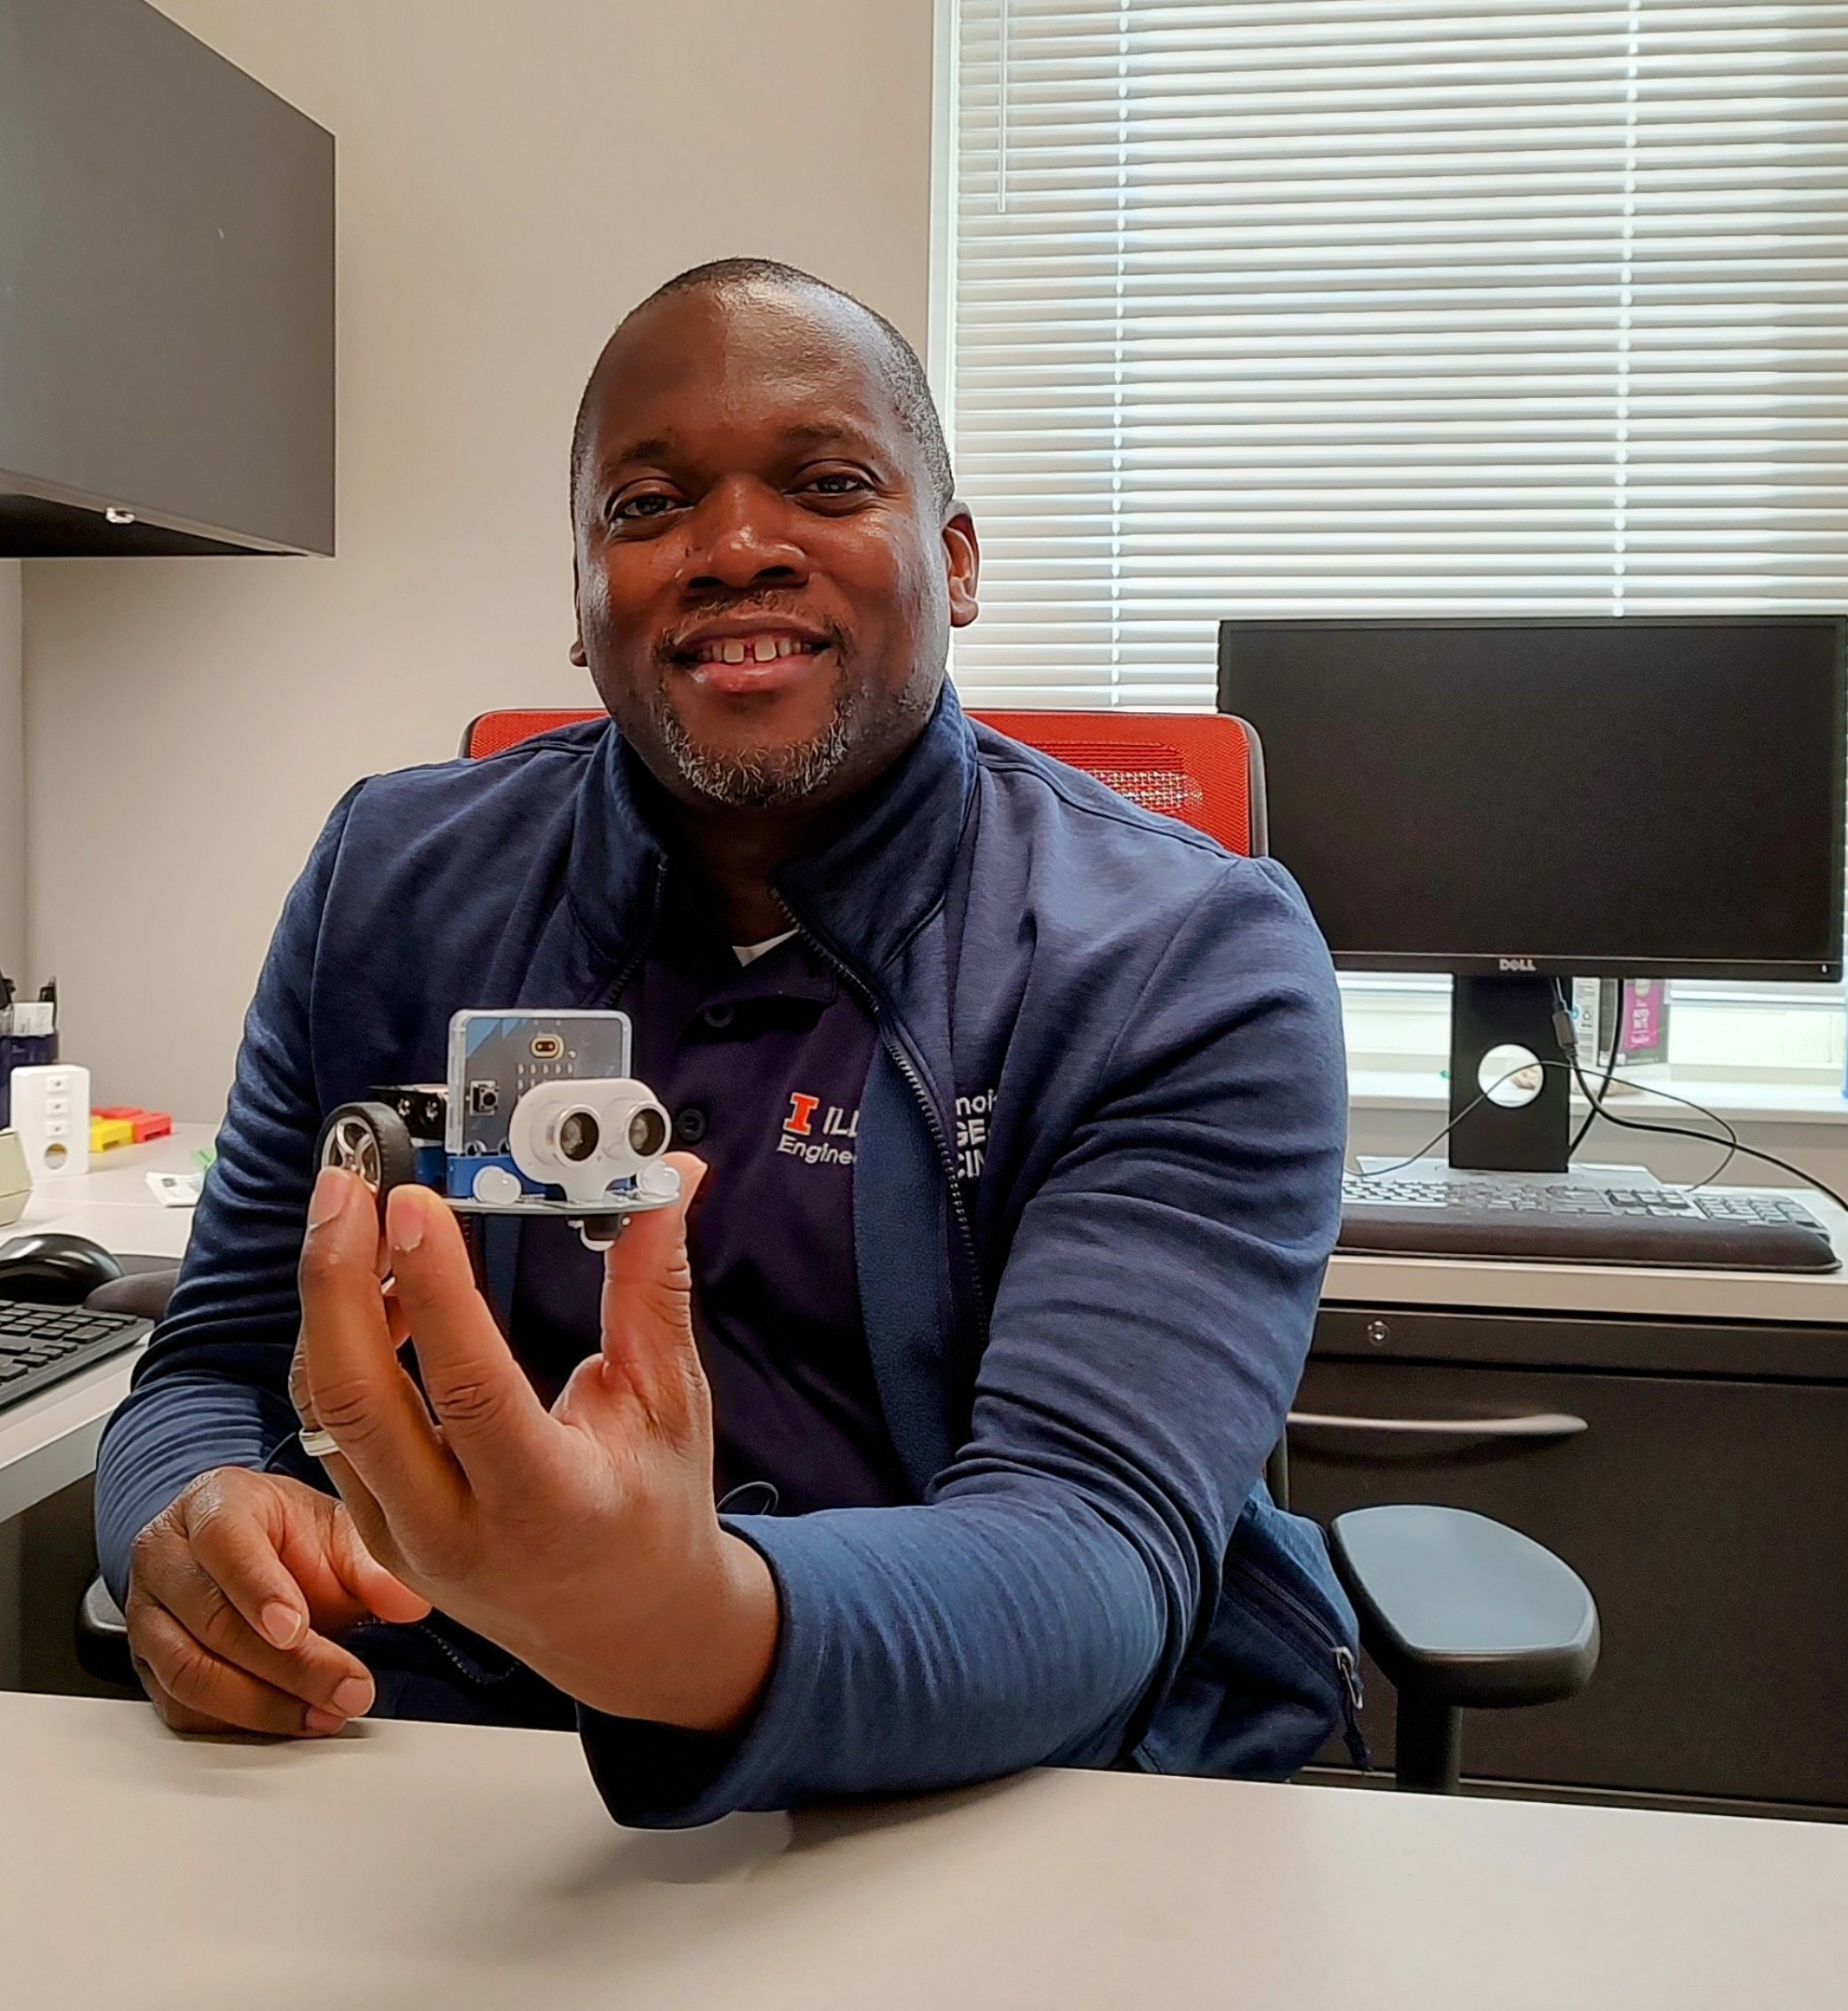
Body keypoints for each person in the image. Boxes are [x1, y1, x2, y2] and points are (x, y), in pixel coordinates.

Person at [95, 257, 1357, 1827]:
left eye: (826, 483)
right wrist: (184, 1521)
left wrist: (673, 1622)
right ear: (578, 601)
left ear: (954, 561)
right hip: (432, 1795)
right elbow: (208, 1366)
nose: (737, 548)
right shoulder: (392, 881)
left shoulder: (1181, 953)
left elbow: (1090, 1539)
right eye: (646, 507)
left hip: (979, 1807)